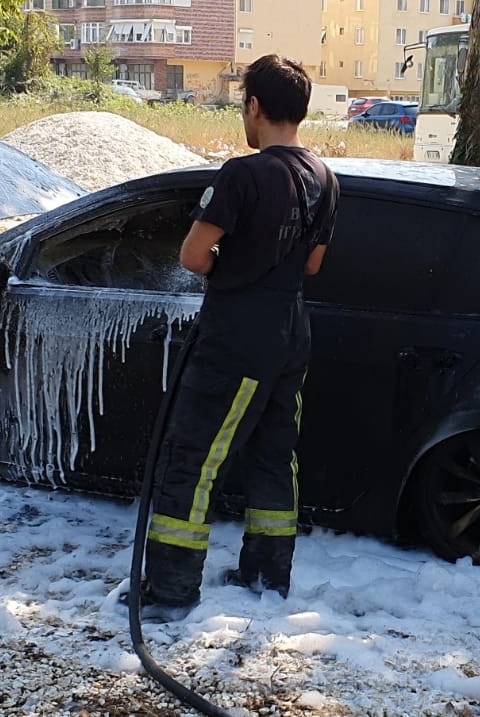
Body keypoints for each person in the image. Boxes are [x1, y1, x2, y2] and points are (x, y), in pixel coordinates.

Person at [137, 55, 339, 620]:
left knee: (193, 457)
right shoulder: (326, 178)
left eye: (242, 106)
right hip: (291, 334)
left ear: (254, 106)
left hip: (237, 338)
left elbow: (194, 256)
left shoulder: (243, 174)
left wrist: (235, 261)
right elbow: (313, 265)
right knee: (275, 455)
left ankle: (172, 590)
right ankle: (268, 575)